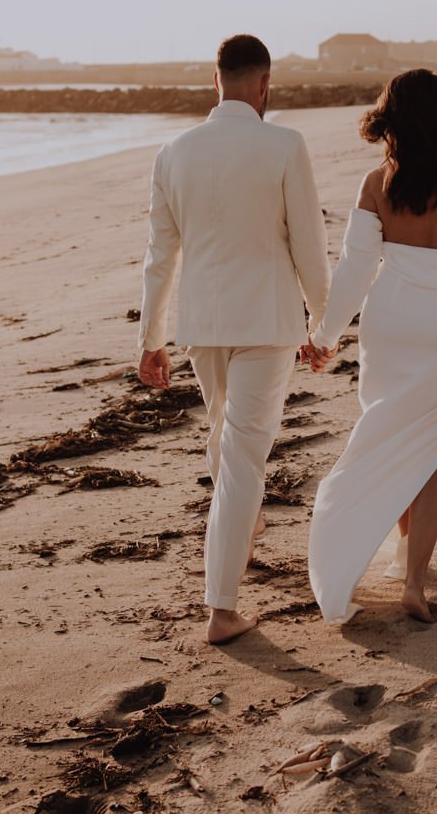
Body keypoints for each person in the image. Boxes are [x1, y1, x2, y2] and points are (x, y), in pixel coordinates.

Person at [305, 69, 437, 624]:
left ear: (392, 122)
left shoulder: (378, 184)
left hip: (391, 322)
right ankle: (414, 582)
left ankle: (403, 560)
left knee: (393, 433)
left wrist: (324, 336)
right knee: (432, 449)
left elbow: (353, 271)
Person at [137, 34, 330, 644]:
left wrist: (152, 337)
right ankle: (221, 607)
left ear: (213, 81)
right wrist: (322, 325)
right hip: (267, 321)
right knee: (244, 450)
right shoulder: (284, 144)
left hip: (203, 323)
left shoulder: (173, 152)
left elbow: (160, 255)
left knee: (226, 434)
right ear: (265, 85)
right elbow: (309, 244)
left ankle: (241, 538)